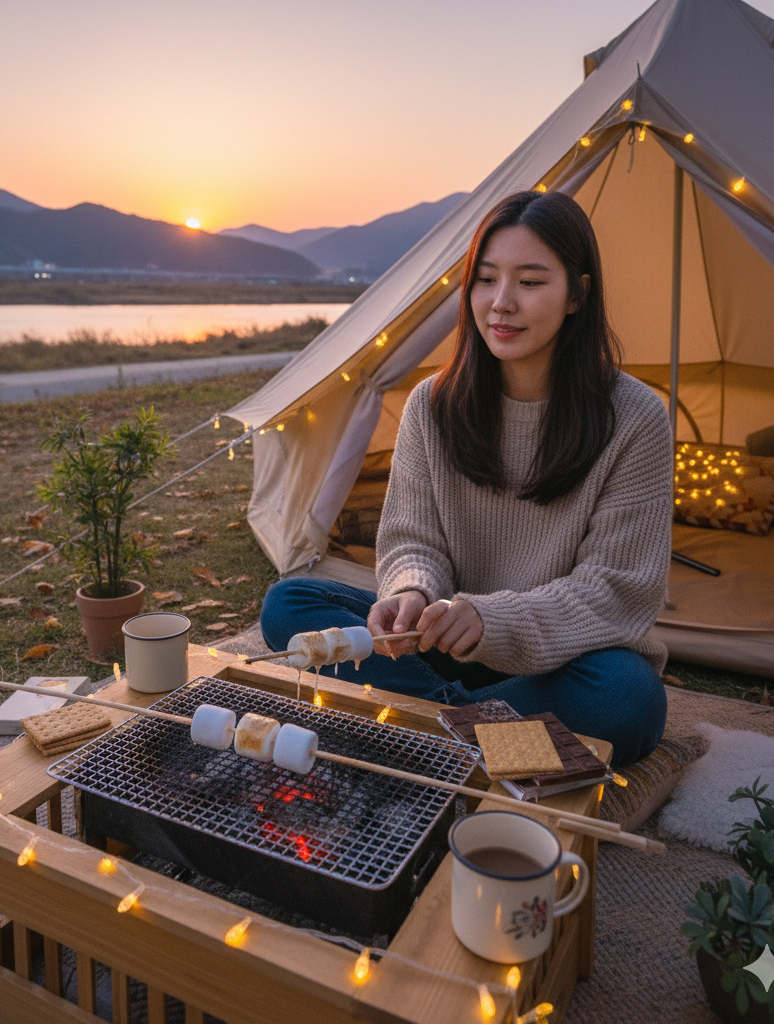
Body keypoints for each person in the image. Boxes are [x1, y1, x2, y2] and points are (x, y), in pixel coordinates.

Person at [260, 190, 673, 765]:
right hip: (439, 642)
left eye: (530, 282)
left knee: (628, 699)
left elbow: (615, 588)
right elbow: (412, 538)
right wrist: (411, 592)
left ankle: (413, 725)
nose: (501, 303)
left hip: (554, 657)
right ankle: (474, 730)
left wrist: (491, 620)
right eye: (485, 279)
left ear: (578, 293)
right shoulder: (434, 403)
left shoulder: (633, 417)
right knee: (290, 602)